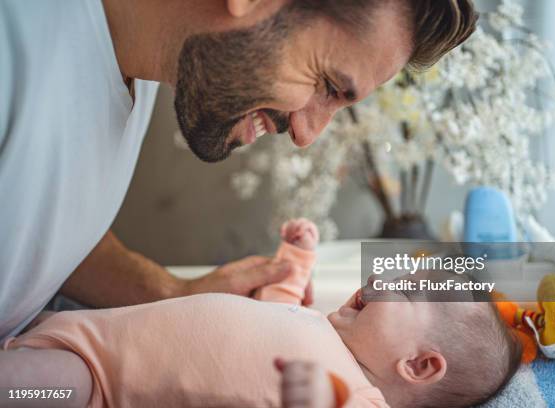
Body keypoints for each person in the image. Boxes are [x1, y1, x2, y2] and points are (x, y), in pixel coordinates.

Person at [0, 0, 477, 342]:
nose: (308, 134)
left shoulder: (141, 64)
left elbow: (38, 224)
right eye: (327, 84)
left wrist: (169, 292)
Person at [1, 219, 522, 408]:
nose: (378, 280)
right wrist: (294, 262)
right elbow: (277, 309)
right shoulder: (320, 328)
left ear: (419, 366)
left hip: (95, 382)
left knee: (22, 385)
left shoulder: (353, 398)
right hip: (87, 330)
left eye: (402, 293)